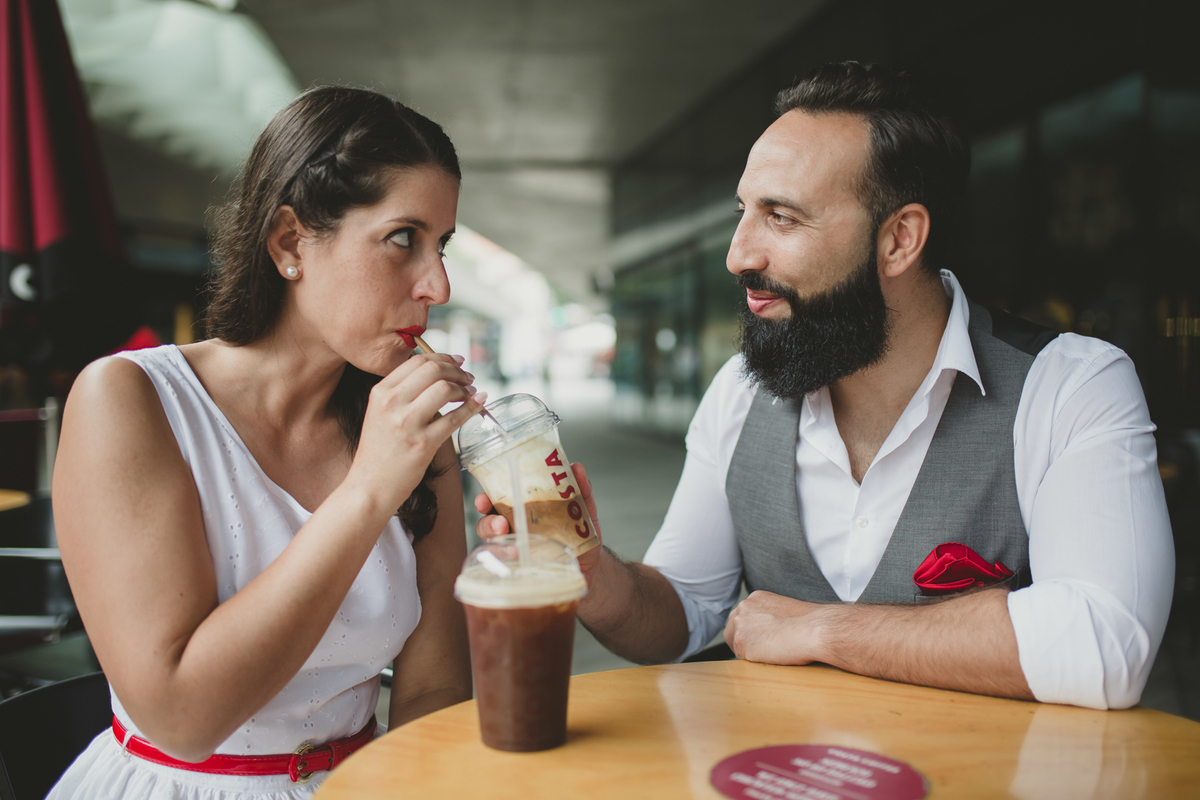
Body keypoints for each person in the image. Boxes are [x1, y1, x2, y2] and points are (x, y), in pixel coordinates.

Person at [478, 62, 1175, 710]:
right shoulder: (740, 392)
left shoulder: (1071, 385)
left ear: (899, 240)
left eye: (782, 217)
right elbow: (681, 614)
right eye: (743, 212)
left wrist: (823, 630)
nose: (738, 254)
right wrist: (585, 566)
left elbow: (1106, 645)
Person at [50, 86, 486, 798]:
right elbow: (181, 717)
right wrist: (368, 490)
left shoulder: (412, 429)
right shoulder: (131, 400)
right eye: (403, 238)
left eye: (441, 245)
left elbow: (433, 690)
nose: (436, 285)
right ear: (290, 242)